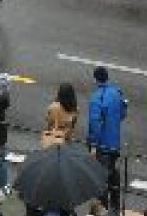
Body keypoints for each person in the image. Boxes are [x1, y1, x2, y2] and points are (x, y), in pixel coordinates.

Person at [87, 66, 127, 214]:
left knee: (101, 178)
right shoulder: (117, 93)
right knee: (112, 173)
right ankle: (115, 206)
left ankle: (102, 210)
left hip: (102, 145)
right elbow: (122, 114)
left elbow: (95, 123)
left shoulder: (96, 97)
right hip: (114, 143)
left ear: (95, 79)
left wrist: (93, 145)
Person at [42, 83, 78, 148]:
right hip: (67, 137)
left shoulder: (53, 107)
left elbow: (49, 122)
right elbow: (73, 124)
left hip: (54, 138)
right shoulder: (75, 109)